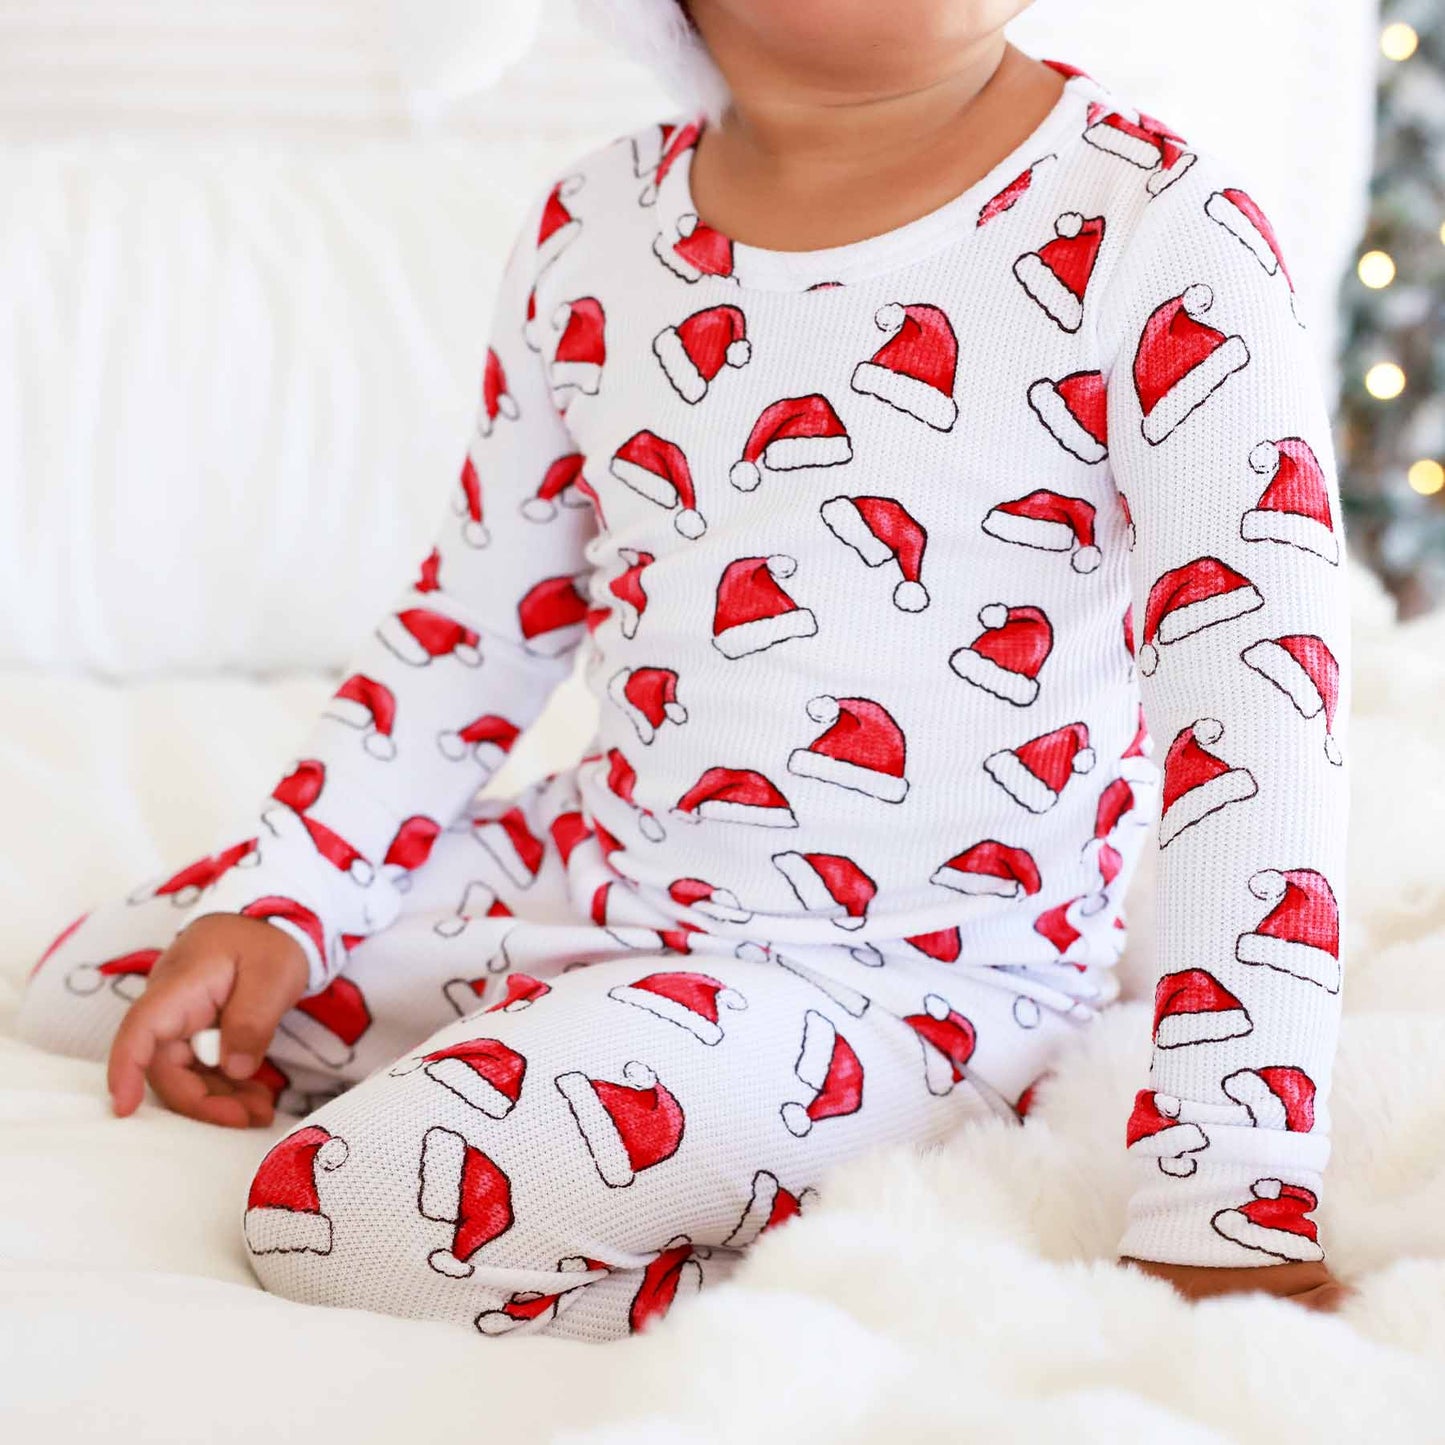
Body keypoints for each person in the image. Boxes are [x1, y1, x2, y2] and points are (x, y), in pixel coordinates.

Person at [16, 0, 1353, 1337]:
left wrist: (1227, 1205)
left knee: (343, 1212)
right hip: (606, 874)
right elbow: (470, 632)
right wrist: (291, 895)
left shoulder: (1163, 228)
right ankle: (576, 1046)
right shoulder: (593, 227)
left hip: (914, 987)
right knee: (99, 986)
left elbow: (1259, 731)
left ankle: (822, 1244)